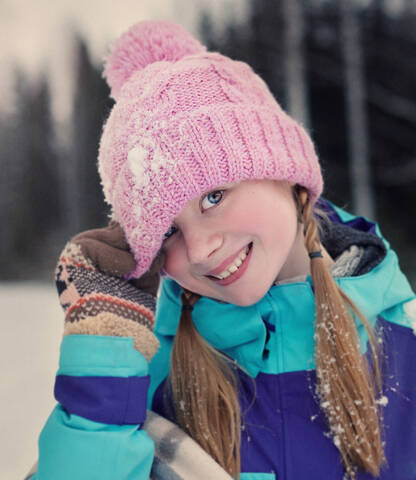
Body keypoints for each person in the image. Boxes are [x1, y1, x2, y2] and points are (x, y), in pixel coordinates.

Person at [27, 20, 416, 480]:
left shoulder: (400, 347)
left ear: (286, 172)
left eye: (214, 197)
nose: (200, 250)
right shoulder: (146, 377)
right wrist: (101, 359)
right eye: (168, 230)